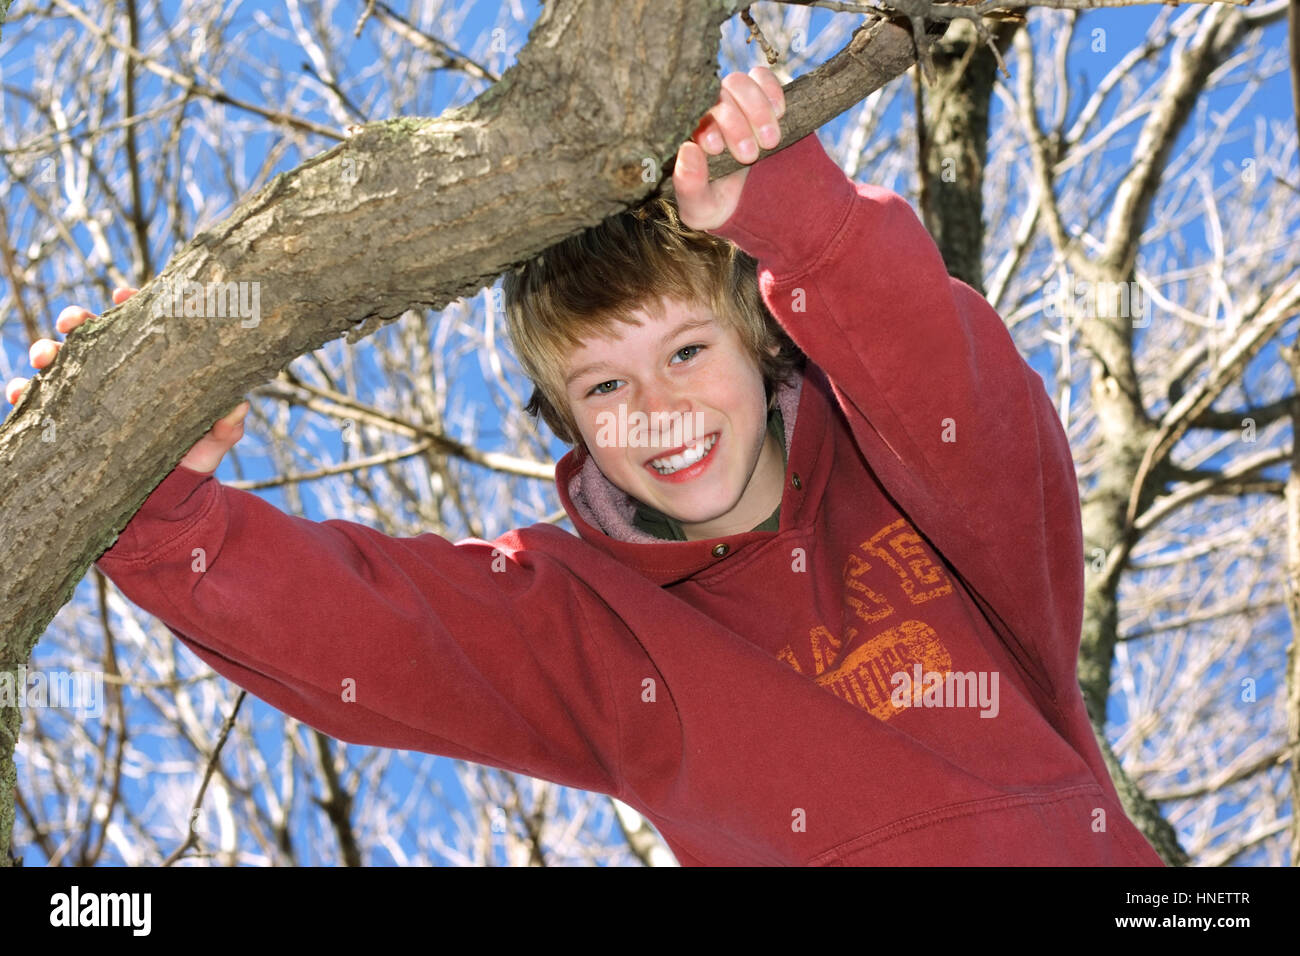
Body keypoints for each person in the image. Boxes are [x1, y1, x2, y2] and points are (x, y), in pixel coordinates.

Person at [7, 66, 1164, 866]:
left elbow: (960, 392)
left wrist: (791, 213)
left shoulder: (922, 492)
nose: (656, 408)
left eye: (685, 350)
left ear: (759, 338)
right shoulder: (599, 631)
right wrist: (153, 496)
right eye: (606, 387)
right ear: (567, 421)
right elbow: (375, 634)